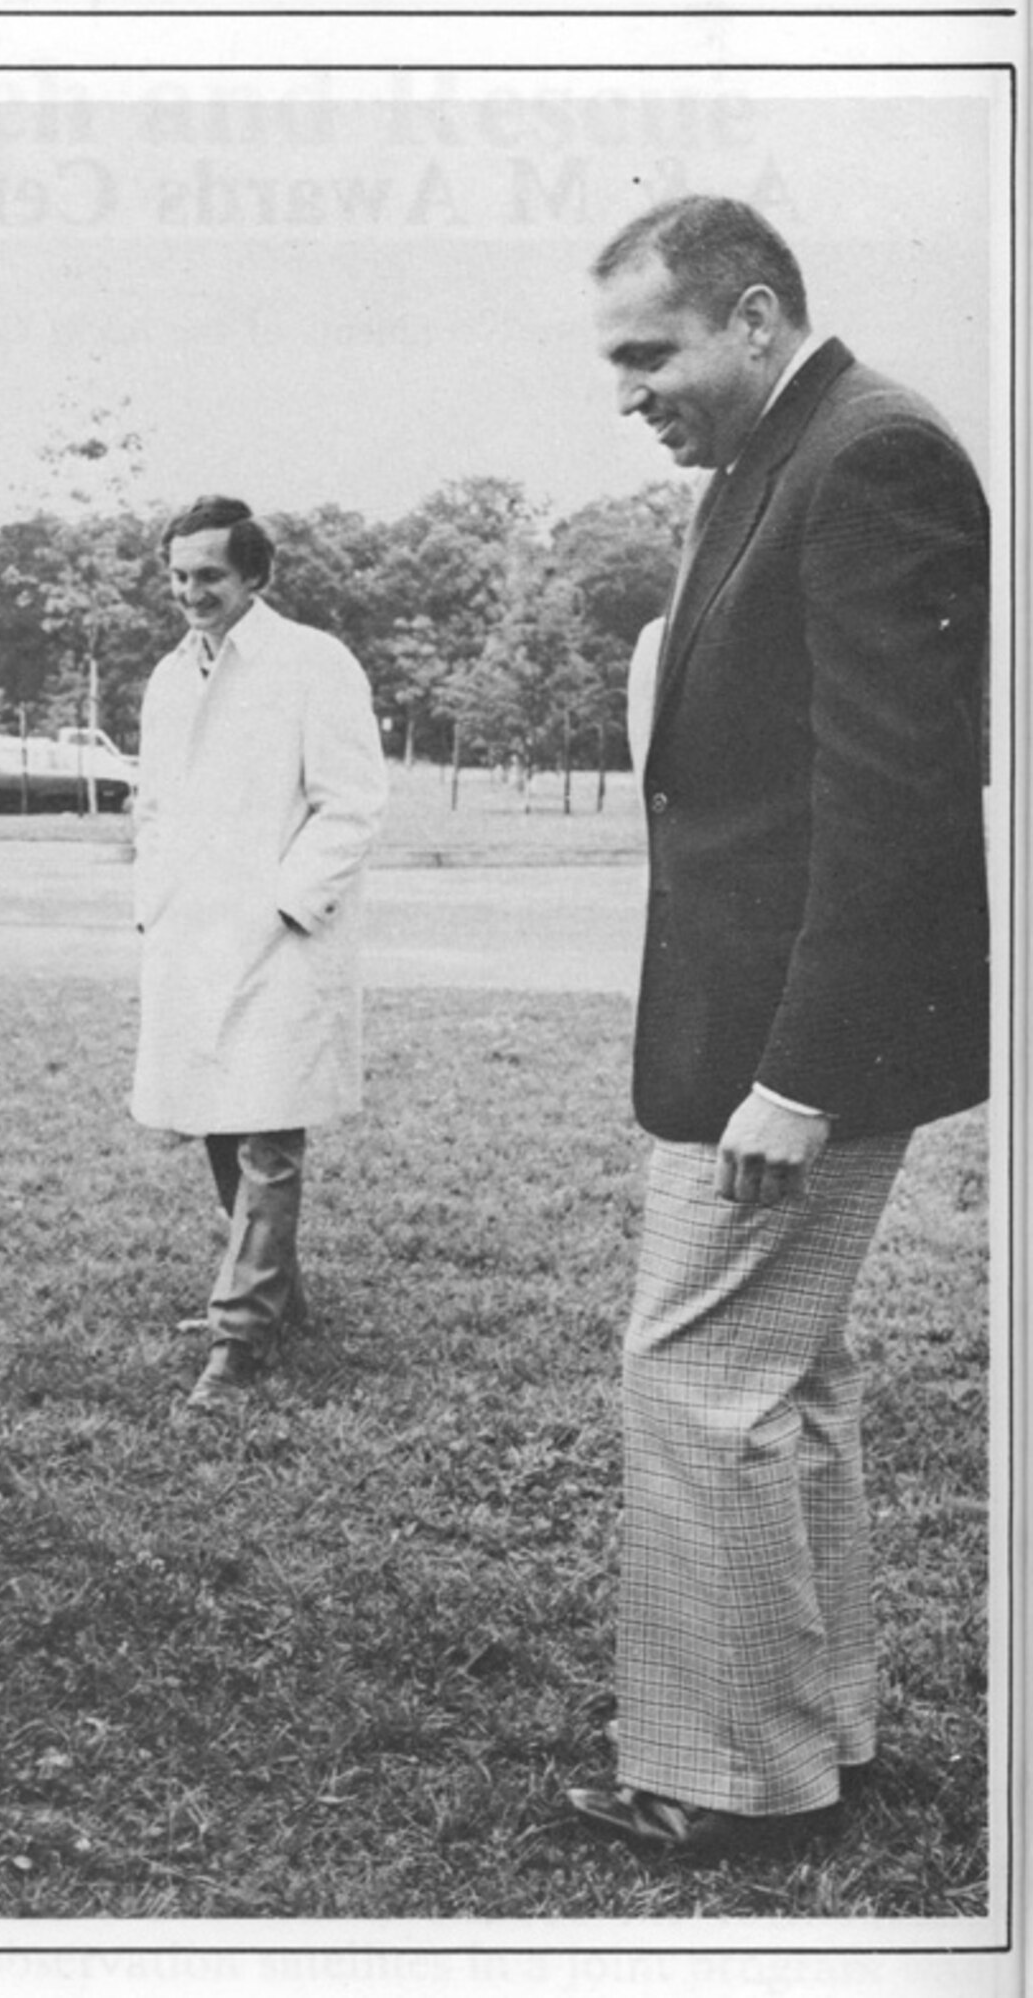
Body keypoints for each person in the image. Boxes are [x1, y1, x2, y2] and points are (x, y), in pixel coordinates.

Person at [564, 196, 989, 1860]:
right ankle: (810, 1731)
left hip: (787, 1051)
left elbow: (893, 801)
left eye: (648, 352)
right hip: (753, 1033)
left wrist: (799, 1074)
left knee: (699, 1374)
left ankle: (724, 1769)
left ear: (751, 317)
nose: (629, 390)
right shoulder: (776, 455)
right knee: (785, 1379)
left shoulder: (867, 454)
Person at [128, 496, 387, 1414]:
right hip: (192, 930)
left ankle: (238, 1335)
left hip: (279, 934)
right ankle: (275, 1294)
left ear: (256, 576)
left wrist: (287, 901)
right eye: (179, 576)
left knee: (271, 1128)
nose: (191, 592)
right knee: (218, 1115)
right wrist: (152, 900)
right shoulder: (169, 677)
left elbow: (352, 799)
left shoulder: (312, 662)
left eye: (210, 575)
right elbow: (155, 803)